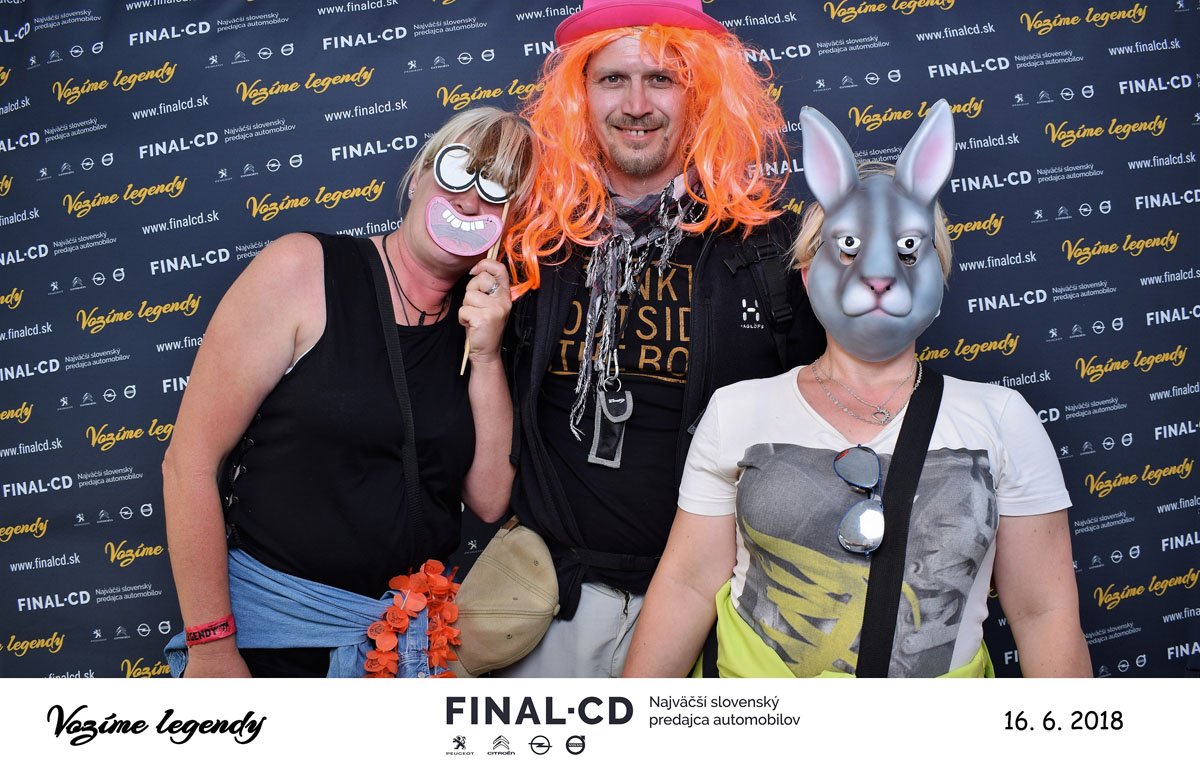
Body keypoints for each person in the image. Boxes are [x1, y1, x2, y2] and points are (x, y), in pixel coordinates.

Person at [623, 101, 1092, 678]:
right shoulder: (738, 410)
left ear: (938, 273)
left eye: (908, 249)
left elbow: (1044, 614)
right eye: (848, 247)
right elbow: (688, 586)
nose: (878, 273)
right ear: (808, 271)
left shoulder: (1002, 419)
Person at [496, 0, 824, 677]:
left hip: (720, 612)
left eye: (662, 79)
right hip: (552, 607)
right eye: (612, 79)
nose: (636, 104)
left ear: (699, 93)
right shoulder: (532, 241)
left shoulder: (769, 248)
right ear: (580, 95)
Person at [161, 107, 536, 677]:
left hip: (398, 654)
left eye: (496, 191)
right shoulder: (303, 270)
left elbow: (488, 500)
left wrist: (486, 355)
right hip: (272, 644)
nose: (468, 201)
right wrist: (211, 648)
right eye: (458, 171)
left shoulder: (479, 325)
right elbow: (187, 464)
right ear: (419, 175)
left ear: (510, 221)